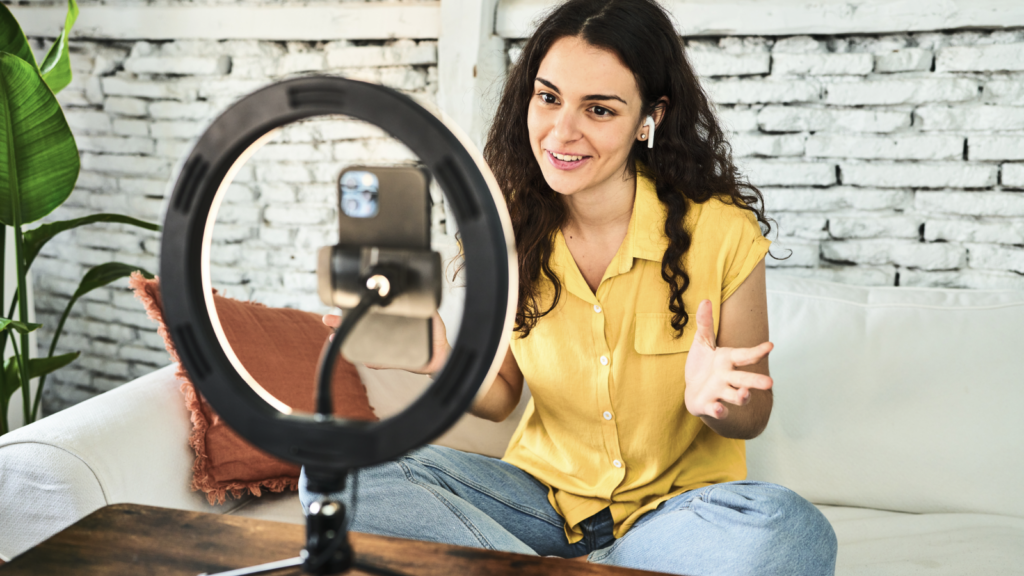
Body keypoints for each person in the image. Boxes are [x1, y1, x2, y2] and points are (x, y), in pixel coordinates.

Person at [303, 0, 838, 573]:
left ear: (649, 118)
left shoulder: (723, 231)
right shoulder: (504, 232)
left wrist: (718, 404)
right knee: (341, 470)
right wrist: (444, 361)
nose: (562, 131)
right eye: (549, 97)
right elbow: (502, 393)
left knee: (790, 528)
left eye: (600, 110)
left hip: (676, 515)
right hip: (540, 503)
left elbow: (752, 415)